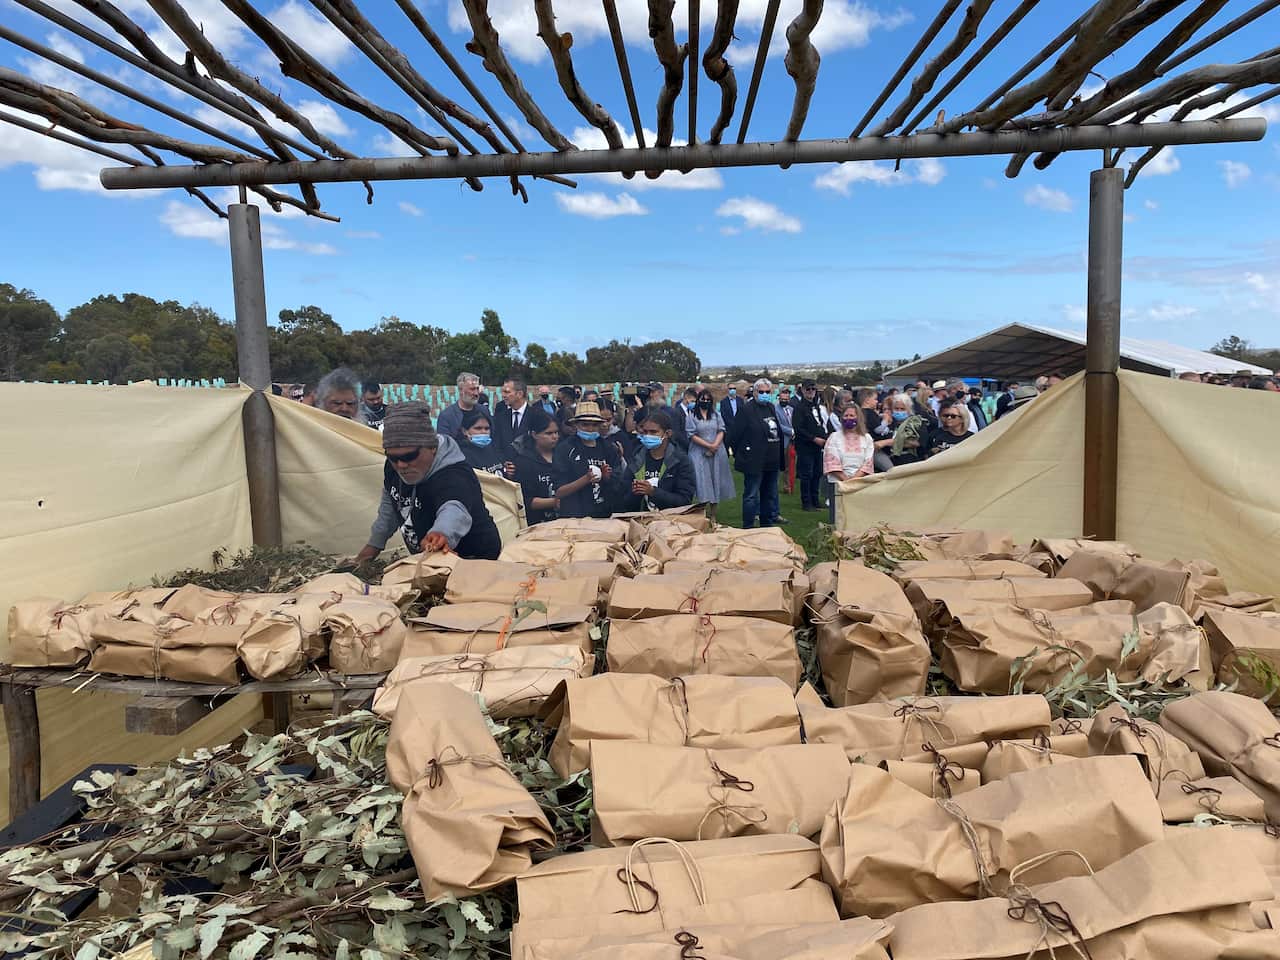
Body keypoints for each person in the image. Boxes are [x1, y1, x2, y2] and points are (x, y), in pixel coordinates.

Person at [356, 401, 501, 561]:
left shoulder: (455, 474)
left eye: (410, 456)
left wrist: (440, 533)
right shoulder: (393, 466)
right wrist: (374, 545)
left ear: (432, 447)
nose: (401, 465)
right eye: (393, 457)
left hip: (474, 558)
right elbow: (391, 501)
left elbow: (454, 508)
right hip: (428, 557)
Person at [727, 378, 786, 529]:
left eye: (767, 392)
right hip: (754, 461)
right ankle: (748, 525)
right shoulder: (746, 410)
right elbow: (734, 435)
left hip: (772, 460)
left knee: (769, 495)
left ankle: (767, 524)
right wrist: (745, 452)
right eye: (761, 392)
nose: (764, 394)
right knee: (751, 495)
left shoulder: (771, 407)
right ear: (754, 392)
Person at [553, 400, 627, 518]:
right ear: (576, 425)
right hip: (575, 516)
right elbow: (559, 492)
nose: (590, 428)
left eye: (594, 424)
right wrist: (585, 479)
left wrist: (607, 478)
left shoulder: (609, 448)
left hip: (604, 515)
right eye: (585, 424)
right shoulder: (565, 449)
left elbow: (619, 484)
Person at [620, 411, 696, 512]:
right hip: (640, 519)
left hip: (670, 521)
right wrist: (635, 493)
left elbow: (684, 500)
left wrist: (653, 492)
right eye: (645, 432)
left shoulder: (681, 461)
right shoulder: (636, 458)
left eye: (653, 432)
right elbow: (624, 498)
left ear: (668, 433)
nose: (648, 436)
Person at [687, 388, 736, 521]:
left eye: (708, 400)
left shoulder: (716, 415)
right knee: (701, 482)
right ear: (698, 400)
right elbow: (691, 435)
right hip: (698, 452)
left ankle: (713, 514)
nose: (706, 401)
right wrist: (708, 446)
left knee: (716, 480)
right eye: (703, 399)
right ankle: (700, 513)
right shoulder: (691, 416)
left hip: (717, 452)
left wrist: (715, 445)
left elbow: (721, 430)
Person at [511, 407, 561, 525]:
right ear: (534, 434)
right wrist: (555, 502)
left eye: (556, 432)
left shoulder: (563, 455)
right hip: (538, 523)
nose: (554, 437)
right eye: (548, 433)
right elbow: (524, 500)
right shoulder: (524, 462)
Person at [793, 379, 830, 512]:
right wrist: (814, 438)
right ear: (803, 390)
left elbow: (820, 424)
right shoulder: (799, 407)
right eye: (808, 389)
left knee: (817, 473)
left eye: (813, 389)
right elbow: (798, 428)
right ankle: (806, 502)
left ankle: (815, 500)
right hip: (805, 446)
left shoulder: (816, 406)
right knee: (806, 474)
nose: (811, 392)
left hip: (818, 446)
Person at [824, 403, 875, 484]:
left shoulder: (867, 438)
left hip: (861, 482)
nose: (848, 418)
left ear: (858, 418)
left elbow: (868, 462)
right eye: (846, 415)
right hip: (838, 483)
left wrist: (855, 480)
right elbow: (831, 461)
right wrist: (846, 480)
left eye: (852, 415)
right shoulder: (834, 437)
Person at [458, 407, 515, 480]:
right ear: (465, 431)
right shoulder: (462, 456)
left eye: (487, 428)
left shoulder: (494, 449)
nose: (483, 431)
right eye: (478, 428)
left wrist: (507, 473)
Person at [636, 382, 688, 452]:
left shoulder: (672, 412)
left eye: (653, 392)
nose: (650, 395)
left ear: (661, 393)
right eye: (649, 393)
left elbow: (676, 435)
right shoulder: (644, 411)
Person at [494, 376, 534, 457]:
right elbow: (497, 445)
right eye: (503, 392)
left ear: (519, 394)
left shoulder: (536, 416)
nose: (503, 395)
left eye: (507, 392)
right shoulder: (500, 417)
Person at [437, 372, 481, 439]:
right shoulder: (447, 416)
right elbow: (445, 445)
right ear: (461, 390)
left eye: (477, 389)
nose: (476, 393)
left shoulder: (484, 411)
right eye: (472, 389)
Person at [777, 386, 796, 494]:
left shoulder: (791, 409)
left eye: (786, 400)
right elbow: (779, 425)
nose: (784, 401)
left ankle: (788, 486)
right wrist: (791, 431)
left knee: (789, 466)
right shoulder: (775, 410)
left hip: (791, 442)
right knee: (782, 466)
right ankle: (781, 485)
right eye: (782, 399)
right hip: (782, 441)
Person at [719, 384, 742, 453]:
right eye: (730, 388)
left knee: (738, 448)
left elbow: (743, 413)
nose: (732, 390)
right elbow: (724, 415)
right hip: (729, 429)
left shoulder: (740, 400)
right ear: (728, 390)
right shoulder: (723, 402)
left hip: (739, 428)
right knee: (726, 448)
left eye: (734, 388)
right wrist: (733, 424)